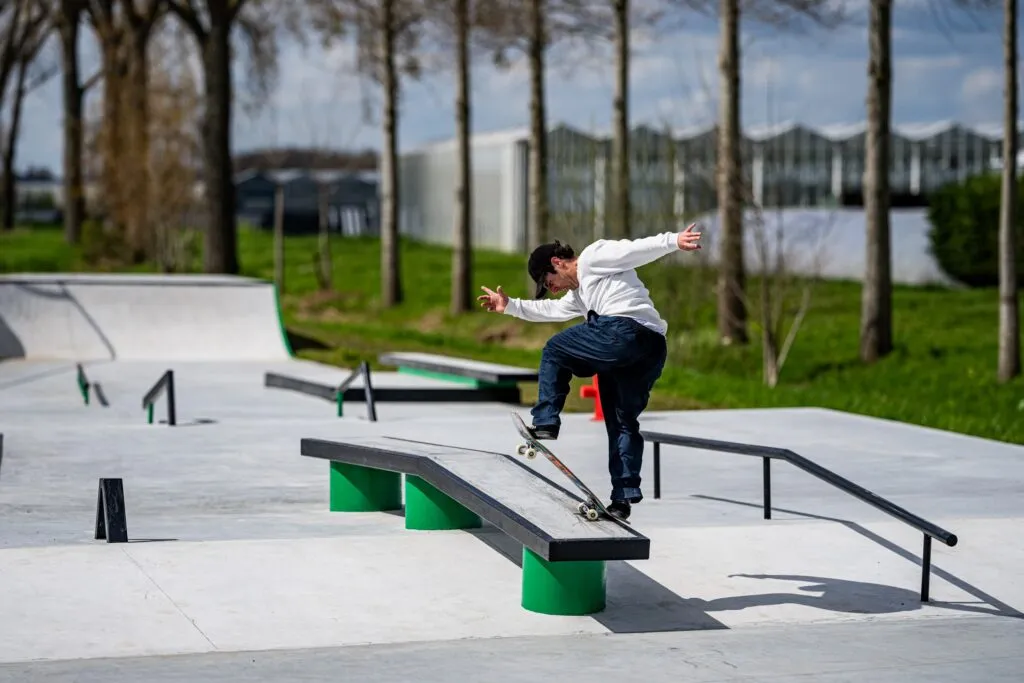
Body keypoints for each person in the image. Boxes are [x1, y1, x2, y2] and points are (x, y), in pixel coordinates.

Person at [478, 224, 703, 521]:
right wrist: (510, 306)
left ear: (557, 263)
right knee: (622, 422)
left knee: (554, 350)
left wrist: (673, 241)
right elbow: (551, 311)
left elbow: (634, 250)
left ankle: (545, 421)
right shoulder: (580, 294)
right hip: (650, 350)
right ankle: (622, 498)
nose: (552, 289)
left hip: (622, 332)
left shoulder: (594, 257)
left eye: (549, 281)